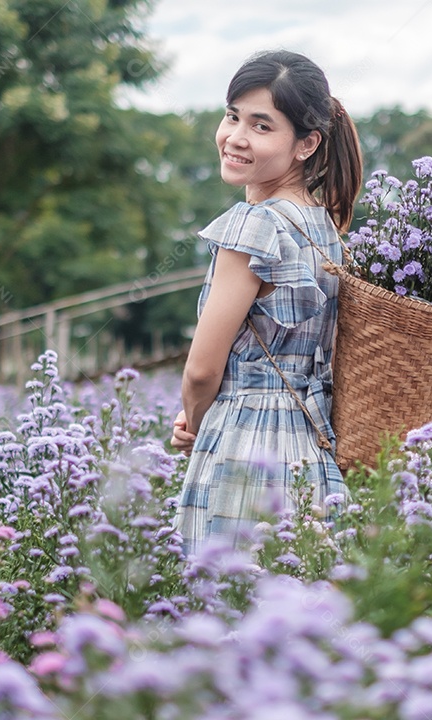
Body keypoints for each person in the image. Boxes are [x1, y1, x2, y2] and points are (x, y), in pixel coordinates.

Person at [170, 50, 362, 553]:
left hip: (245, 442)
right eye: (232, 116)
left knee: (224, 611)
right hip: (311, 445)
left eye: (261, 125)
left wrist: (193, 421)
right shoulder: (326, 228)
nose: (235, 137)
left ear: (306, 144)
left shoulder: (254, 225)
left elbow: (201, 371)